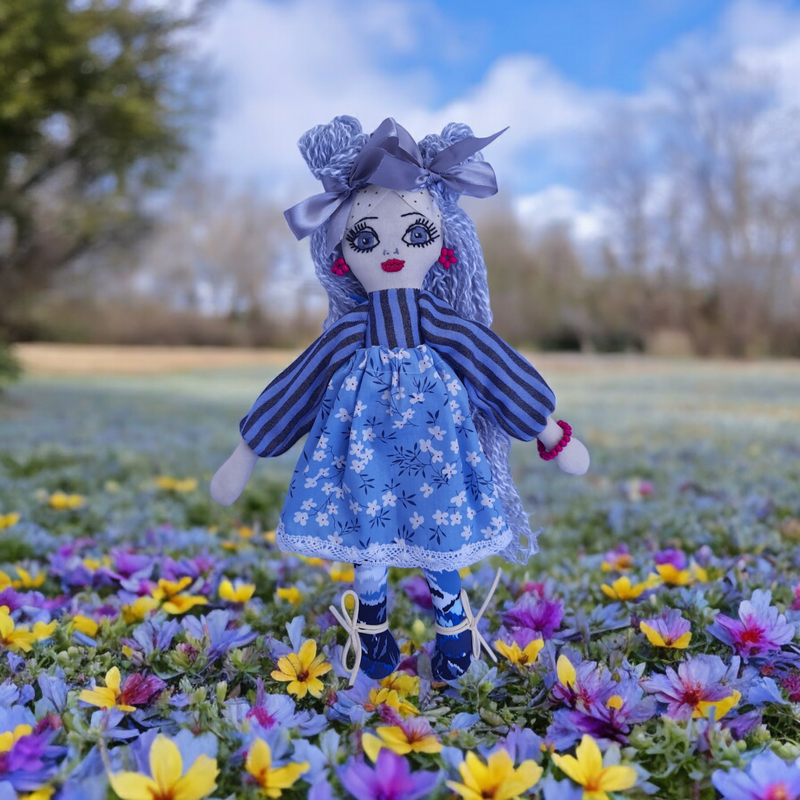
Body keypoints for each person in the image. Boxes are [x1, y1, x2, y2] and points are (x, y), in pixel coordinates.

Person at [211, 116, 589, 684]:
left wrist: (548, 431)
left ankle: (454, 632)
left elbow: (493, 364)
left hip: (436, 452)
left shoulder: (441, 323)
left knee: (439, 535)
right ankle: (374, 634)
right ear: (342, 253)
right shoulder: (349, 332)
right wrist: (249, 448)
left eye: (414, 234)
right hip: (363, 452)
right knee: (370, 538)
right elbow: (299, 384)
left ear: (441, 243)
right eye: (366, 238)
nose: (391, 250)